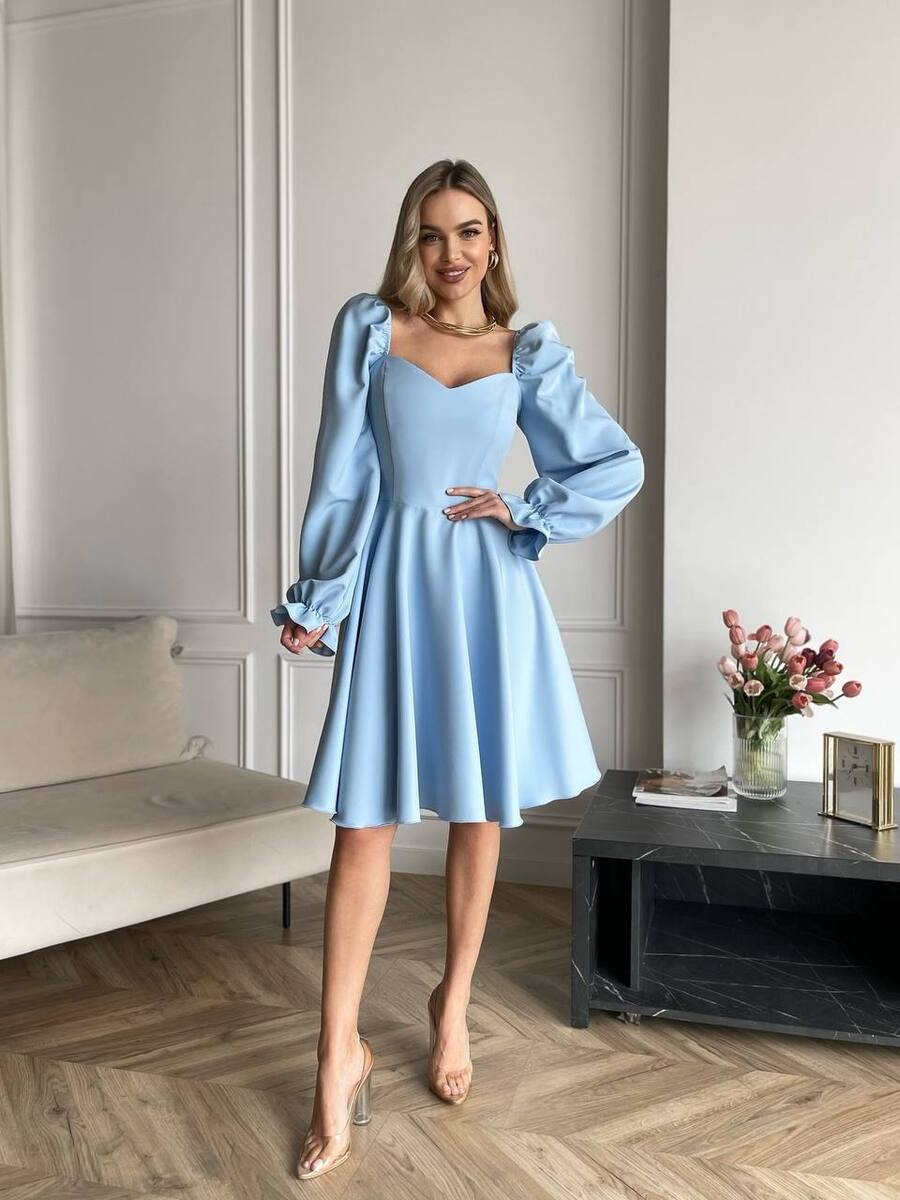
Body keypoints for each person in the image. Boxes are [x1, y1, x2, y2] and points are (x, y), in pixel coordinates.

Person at [271, 158, 645, 1180]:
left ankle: (453, 1006)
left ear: (494, 240)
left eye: (470, 231)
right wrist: (319, 596)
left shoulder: (526, 352)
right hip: (394, 583)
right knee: (364, 824)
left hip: (485, 590)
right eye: (432, 233)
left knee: (479, 811)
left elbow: (613, 462)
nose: (451, 252)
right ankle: (334, 1059)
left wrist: (524, 508)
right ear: (412, 241)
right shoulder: (371, 330)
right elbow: (342, 475)